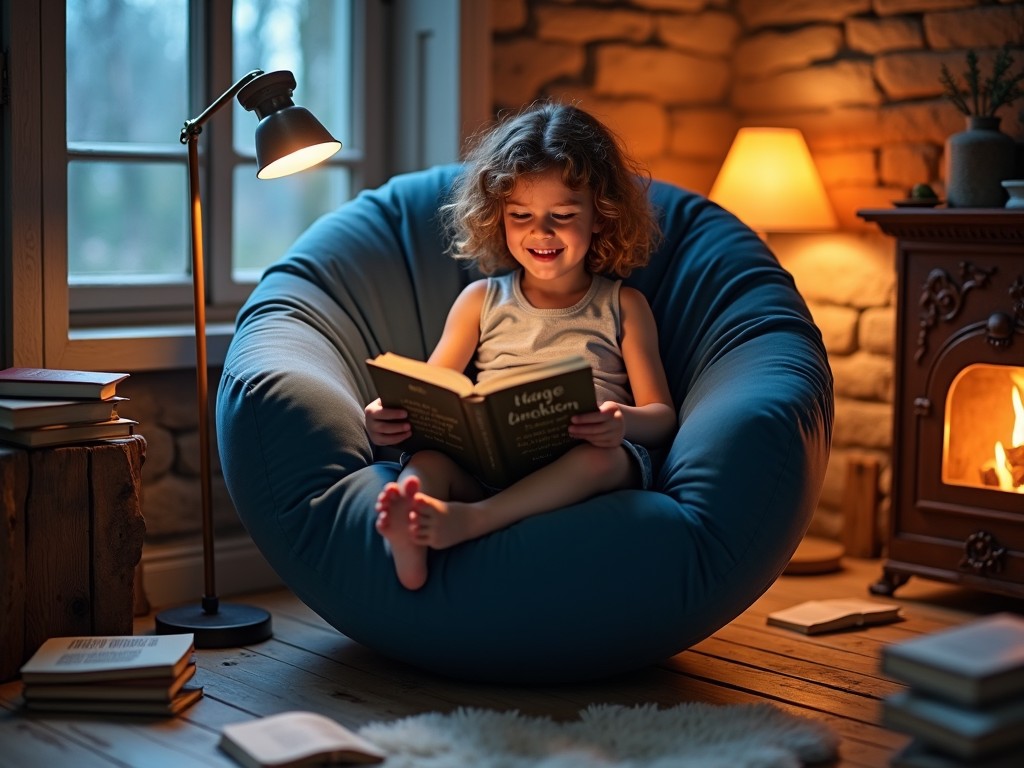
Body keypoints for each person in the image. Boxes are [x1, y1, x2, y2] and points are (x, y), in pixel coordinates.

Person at [364, 101, 677, 590]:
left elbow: (662, 414)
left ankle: (474, 520)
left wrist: (621, 420)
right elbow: (430, 389)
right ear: (498, 217)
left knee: (605, 460)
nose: (541, 231)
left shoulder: (624, 305)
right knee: (426, 465)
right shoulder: (479, 301)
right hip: (490, 463)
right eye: (521, 215)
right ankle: (410, 531)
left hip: (582, 461)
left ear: (600, 215)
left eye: (563, 214)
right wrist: (386, 413)